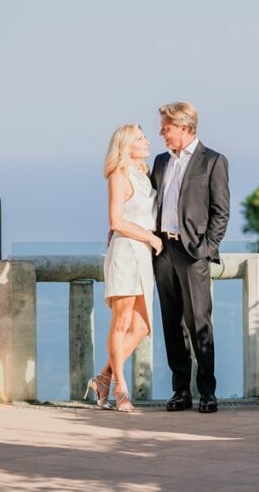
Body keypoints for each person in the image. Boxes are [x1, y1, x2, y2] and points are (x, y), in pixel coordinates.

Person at [151, 101, 230, 414]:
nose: (161, 133)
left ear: (183, 127)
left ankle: (207, 392)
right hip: (163, 251)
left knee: (199, 322)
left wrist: (207, 249)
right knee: (172, 323)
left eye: (166, 128)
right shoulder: (159, 161)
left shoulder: (212, 161)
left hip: (193, 253)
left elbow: (220, 211)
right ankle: (180, 391)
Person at [85, 124, 161, 413]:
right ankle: (120, 389)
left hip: (141, 254)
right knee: (121, 321)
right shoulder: (118, 176)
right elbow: (116, 221)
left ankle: (103, 377)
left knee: (142, 326)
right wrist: (151, 237)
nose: (147, 141)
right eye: (140, 138)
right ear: (125, 145)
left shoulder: (143, 175)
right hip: (127, 252)